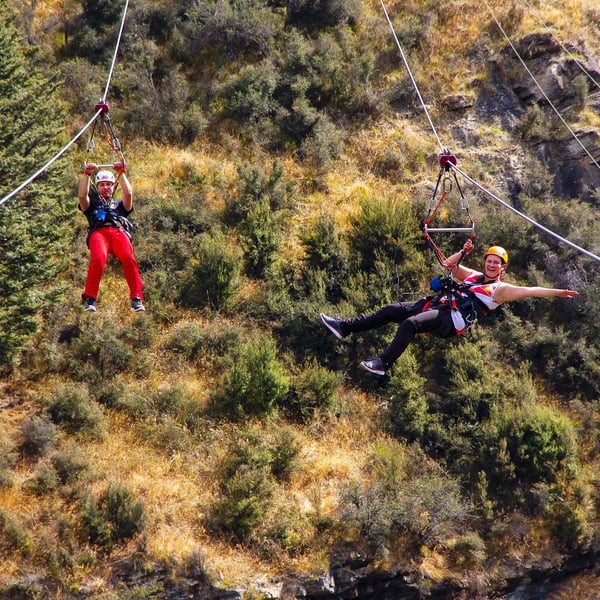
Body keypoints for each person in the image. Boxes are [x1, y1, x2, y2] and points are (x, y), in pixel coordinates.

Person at [320, 240, 578, 375]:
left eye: (495, 263)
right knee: (390, 311)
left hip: (451, 320)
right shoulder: (474, 276)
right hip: (438, 305)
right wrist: (463, 251)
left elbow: (530, 291)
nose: (491, 265)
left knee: (410, 324)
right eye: (489, 261)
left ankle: (382, 364)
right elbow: (448, 265)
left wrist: (557, 292)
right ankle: (343, 327)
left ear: (502, 268)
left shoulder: (500, 290)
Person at [79, 162, 145, 312]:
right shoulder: (92, 205)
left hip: (117, 231)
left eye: (109, 184)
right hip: (99, 233)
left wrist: (121, 173)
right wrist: (87, 175)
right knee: (98, 259)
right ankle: (90, 298)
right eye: (102, 185)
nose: (106, 187)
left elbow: (128, 194)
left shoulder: (120, 205)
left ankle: (137, 298)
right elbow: (82, 196)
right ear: (97, 187)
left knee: (128, 258)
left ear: (113, 187)